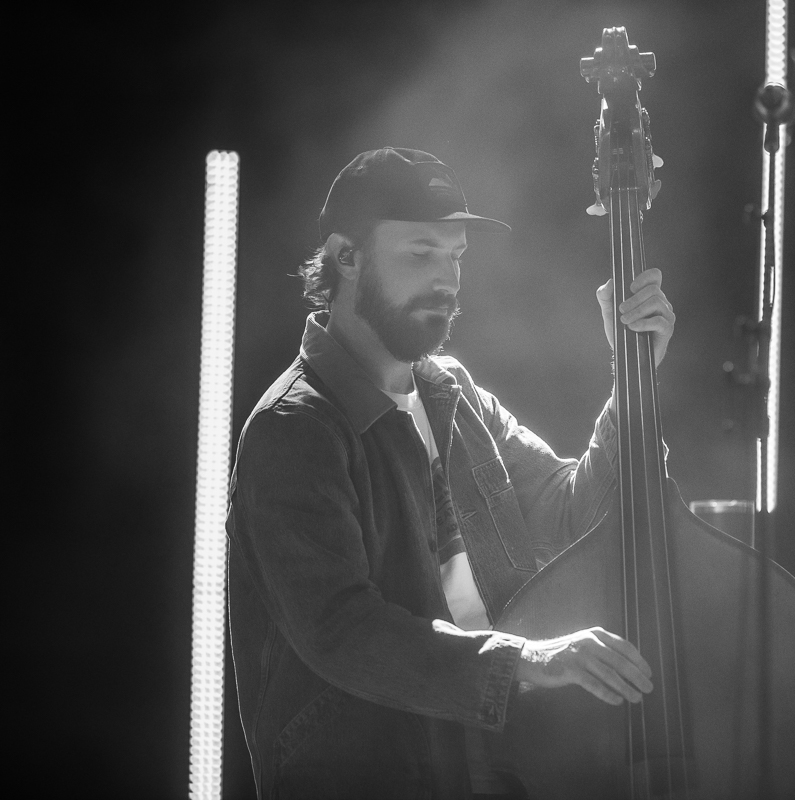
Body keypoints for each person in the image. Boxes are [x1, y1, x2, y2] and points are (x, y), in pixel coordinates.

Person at [226, 147, 677, 799]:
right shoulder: (294, 428)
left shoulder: (454, 393)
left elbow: (573, 514)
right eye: (419, 254)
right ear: (345, 257)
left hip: (492, 768)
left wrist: (634, 379)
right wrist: (532, 659)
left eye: (455, 256)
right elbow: (343, 630)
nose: (446, 279)